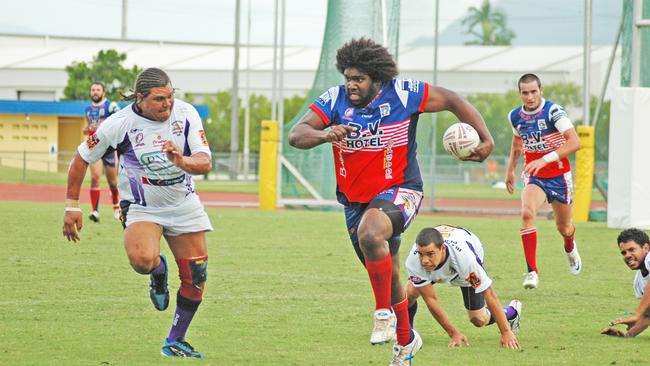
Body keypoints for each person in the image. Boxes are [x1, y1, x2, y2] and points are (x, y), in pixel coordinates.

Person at [288, 38, 494, 365]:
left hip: (401, 190)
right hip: (355, 202)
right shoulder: (334, 100)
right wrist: (325, 134)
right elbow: (296, 134)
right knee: (389, 274)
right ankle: (406, 343)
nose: (352, 85)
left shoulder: (403, 94)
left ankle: (382, 312)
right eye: (348, 78)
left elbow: (453, 100)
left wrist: (486, 138)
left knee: (370, 235)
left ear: (377, 78)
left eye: (359, 79)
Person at [63, 68, 212, 358]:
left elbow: (204, 161)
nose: (167, 104)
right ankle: (158, 271)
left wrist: (181, 160)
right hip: (142, 207)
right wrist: (71, 205)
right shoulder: (118, 124)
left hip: (184, 204)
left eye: (170, 97)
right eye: (159, 99)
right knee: (143, 260)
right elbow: (81, 157)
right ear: (140, 98)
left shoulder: (187, 114)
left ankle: (175, 340)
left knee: (196, 278)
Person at [505, 73, 582, 290]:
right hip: (534, 176)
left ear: (541, 91)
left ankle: (570, 246)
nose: (529, 97)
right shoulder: (515, 116)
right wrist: (510, 170)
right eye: (524, 92)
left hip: (559, 176)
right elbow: (517, 144)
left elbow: (574, 142)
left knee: (564, 227)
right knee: (527, 213)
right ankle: (532, 272)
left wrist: (545, 159)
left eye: (533, 92)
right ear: (520, 93)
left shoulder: (553, 112)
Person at [405, 226, 521, 350]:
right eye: (421, 254)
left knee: (479, 319)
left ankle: (512, 312)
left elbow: (488, 293)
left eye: (430, 254)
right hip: (439, 267)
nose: (424, 260)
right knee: (408, 294)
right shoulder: (414, 262)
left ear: (442, 248)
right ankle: (409, 335)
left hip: (463, 270)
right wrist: (454, 333)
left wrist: (506, 332)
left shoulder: (466, 261)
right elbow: (431, 300)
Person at [601, 228, 650, 337]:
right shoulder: (639, 282)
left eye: (632, 249)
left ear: (646, 248)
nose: (627, 255)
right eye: (624, 252)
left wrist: (637, 314)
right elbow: (647, 316)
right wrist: (627, 335)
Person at [84, 82, 121, 222]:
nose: (95, 92)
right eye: (93, 89)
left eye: (98, 90)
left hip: (109, 147)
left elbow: (119, 123)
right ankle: (95, 211)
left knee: (112, 182)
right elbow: (91, 128)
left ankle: (116, 206)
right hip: (94, 146)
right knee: (95, 178)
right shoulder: (87, 109)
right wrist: (88, 131)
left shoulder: (111, 106)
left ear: (103, 92)